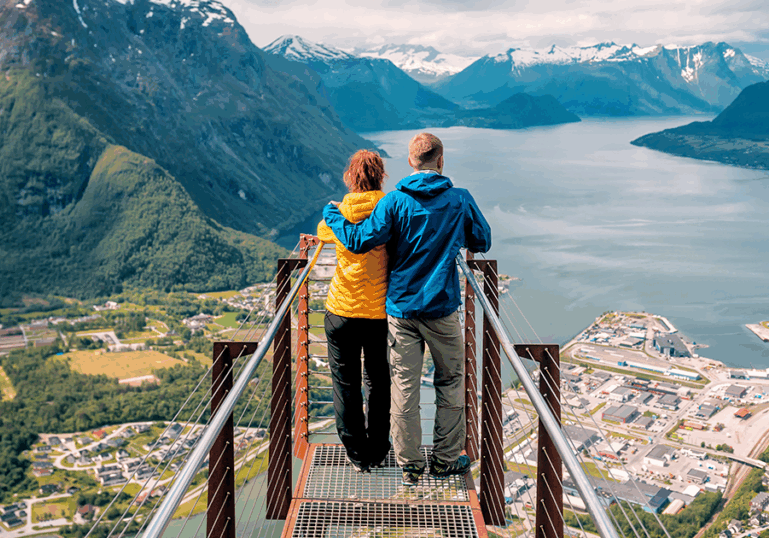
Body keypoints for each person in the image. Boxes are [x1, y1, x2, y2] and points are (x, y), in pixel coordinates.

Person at [322, 133, 491, 485]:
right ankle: (445, 460)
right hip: (442, 308)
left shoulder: (394, 202)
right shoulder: (459, 200)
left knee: (403, 385)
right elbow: (482, 240)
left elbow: (357, 240)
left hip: (400, 309)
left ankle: (410, 465)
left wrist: (333, 215)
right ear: (440, 161)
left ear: (411, 162)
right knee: (451, 380)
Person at [316, 149, 391, 473]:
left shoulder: (341, 213)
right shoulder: (390, 210)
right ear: (380, 176)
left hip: (341, 311)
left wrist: (337, 213)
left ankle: (357, 453)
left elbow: (321, 232)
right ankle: (378, 448)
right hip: (377, 313)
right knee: (378, 381)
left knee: (345, 384)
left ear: (351, 177)